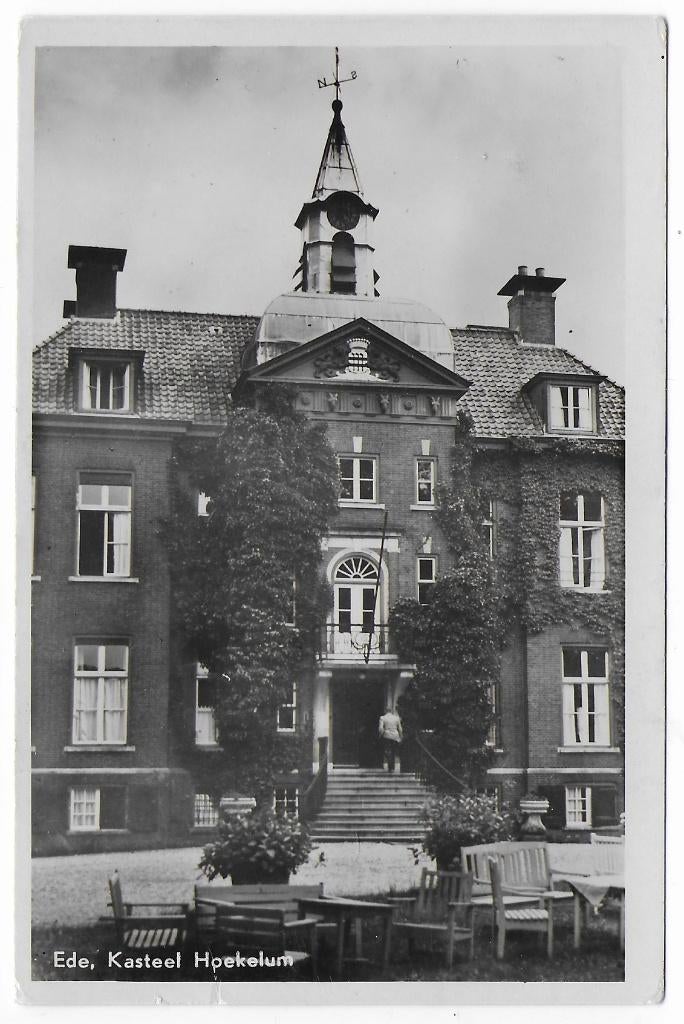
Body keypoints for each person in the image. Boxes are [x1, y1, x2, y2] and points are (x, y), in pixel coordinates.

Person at [378, 705, 403, 773]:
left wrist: (380, 735)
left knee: (387, 750)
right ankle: (392, 766)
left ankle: (390, 765)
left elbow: (381, 728)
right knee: (393, 751)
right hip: (395, 735)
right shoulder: (396, 718)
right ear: (391, 711)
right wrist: (401, 736)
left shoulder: (382, 718)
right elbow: (400, 728)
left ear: (385, 711)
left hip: (387, 735)